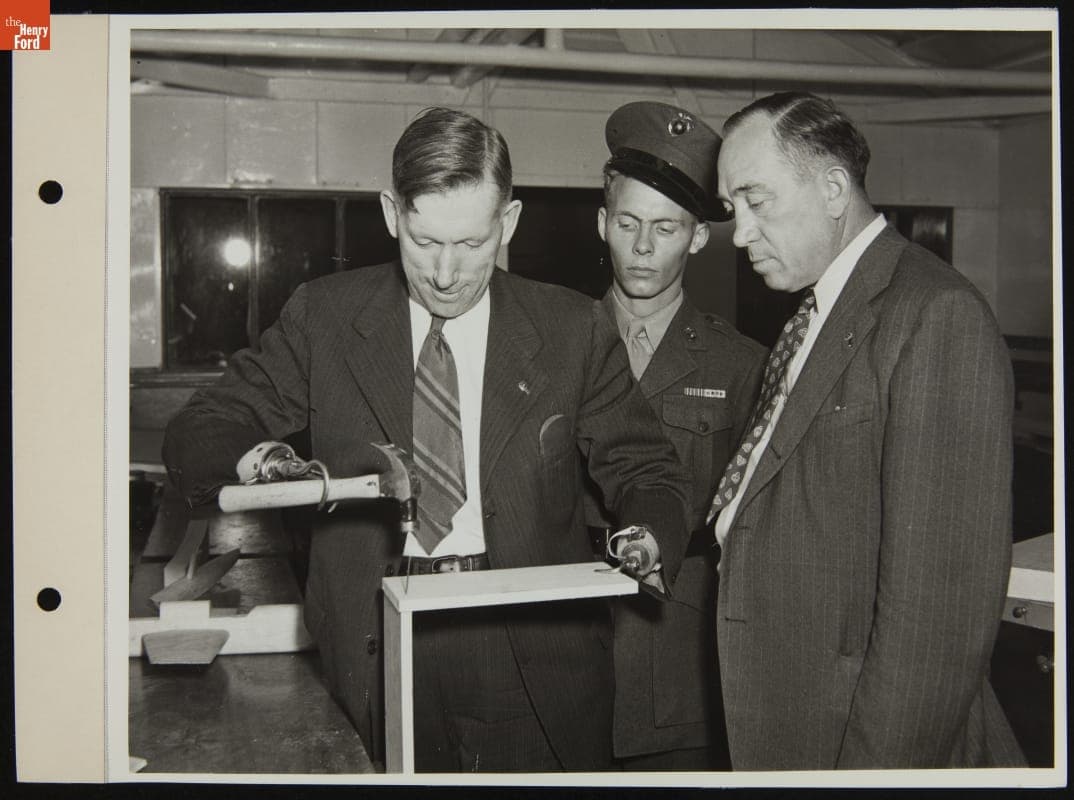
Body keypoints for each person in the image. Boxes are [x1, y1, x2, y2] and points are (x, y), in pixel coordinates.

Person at [162, 107, 690, 773]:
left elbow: (646, 467)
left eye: (471, 244)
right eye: (424, 241)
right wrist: (265, 460)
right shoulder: (325, 317)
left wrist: (646, 535)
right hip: (378, 636)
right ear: (392, 214)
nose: (445, 272)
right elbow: (200, 428)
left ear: (508, 222)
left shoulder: (571, 327)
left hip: (532, 643)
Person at [708, 91, 1025, 769]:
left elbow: (938, 622)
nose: (739, 234)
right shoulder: (818, 312)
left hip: (861, 741)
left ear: (832, 189)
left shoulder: (936, 314)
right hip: (794, 713)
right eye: (732, 208)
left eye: (756, 201)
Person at [592, 101, 765, 770]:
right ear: (602, 223)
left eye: (665, 228)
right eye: (628, 223)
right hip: (564, 638)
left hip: (676, 650)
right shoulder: (551, 348)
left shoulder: (741, 367)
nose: (642, 247)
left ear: (696, 238)